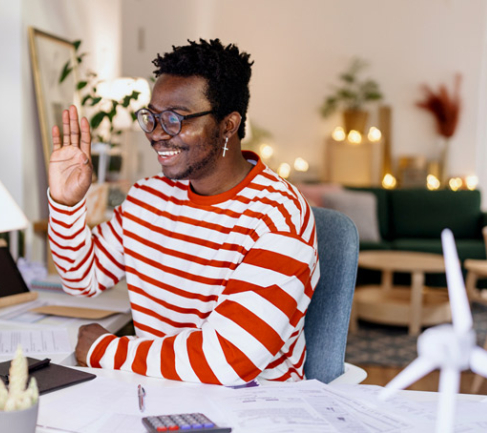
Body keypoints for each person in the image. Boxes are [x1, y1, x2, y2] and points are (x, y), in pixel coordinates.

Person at [46, 39, 318, 385]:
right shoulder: (148, 197)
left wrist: (104, 350)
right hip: (157, 393)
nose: (158, 135)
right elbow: (82, 279)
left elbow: (229, 360)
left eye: (175, 118)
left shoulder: (279, 218)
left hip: (250, 408)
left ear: (228, 125)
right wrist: (66, 203)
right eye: (153, 117)